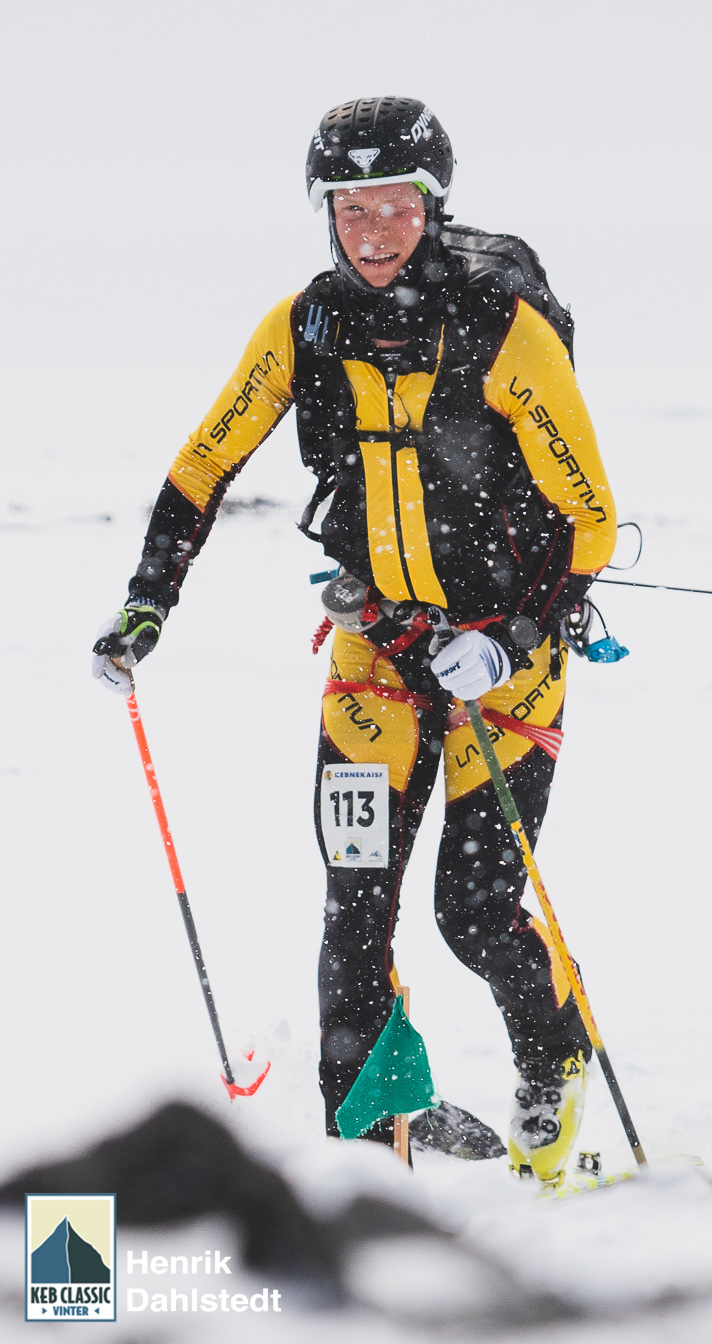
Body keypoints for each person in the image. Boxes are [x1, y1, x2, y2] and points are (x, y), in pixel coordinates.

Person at [93, 96, 618, 1185]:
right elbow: (205, 462)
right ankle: (368, 1142)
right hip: (374, 652)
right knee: (356, 898)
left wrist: (514, 634)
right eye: (350, 209)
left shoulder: (502, 329)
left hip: (503, 661)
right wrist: (149, 600)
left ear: (433, 207)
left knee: (474, 910)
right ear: (324, 213)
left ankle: (553, 1057)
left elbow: (590, 516)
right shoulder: (303, 326)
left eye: (395, 208)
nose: (373, 232)